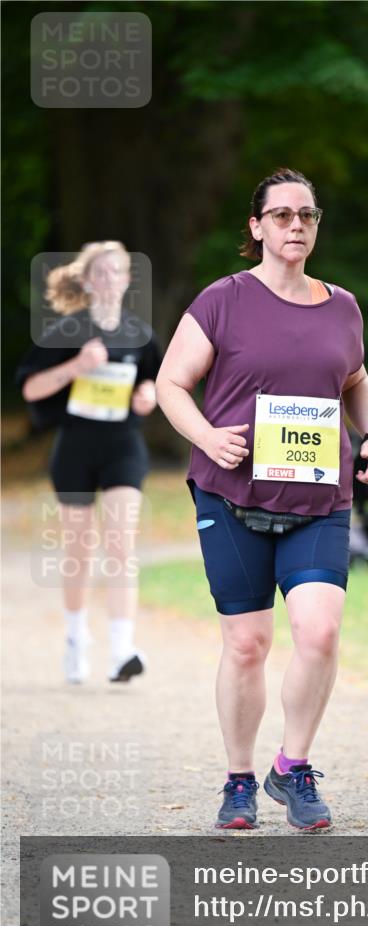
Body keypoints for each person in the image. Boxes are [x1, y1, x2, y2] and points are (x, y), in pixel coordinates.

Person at [155, 168, 368, 831]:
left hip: (320, 495)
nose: (295, 226)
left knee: (318, 632)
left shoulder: (342, 305)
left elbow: (356, 378)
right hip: (230, 494)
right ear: (255, 227)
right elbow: (172, 383)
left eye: (307, 216)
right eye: (281, 215)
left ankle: (292, 767)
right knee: (249, 644)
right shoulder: (222, 300)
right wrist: (205, 435)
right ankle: (236, 779)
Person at [17, 241, 161, 685]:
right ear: (86, 280)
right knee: (78, 551)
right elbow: (30, 390)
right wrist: (77, 365)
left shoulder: (141, 335)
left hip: (122, 447)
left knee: (120, 545)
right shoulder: (66, 332)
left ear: (126, 279)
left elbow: (160, 384)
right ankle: (77, 638)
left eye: (116, 272)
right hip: (75, 448)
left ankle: (122, 650)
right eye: (99, 272)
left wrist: (149, 396)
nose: (108, 279)